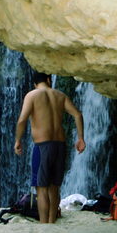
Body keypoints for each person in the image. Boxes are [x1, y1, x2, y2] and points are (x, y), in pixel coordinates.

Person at [14, 73, 85, 224]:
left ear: (35, 84)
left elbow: (22, 120)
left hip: (43, 147)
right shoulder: (60, 95)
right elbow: (77, 115)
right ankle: (52, 221)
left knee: (41, 188)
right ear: (48, 80)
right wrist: (80, 138)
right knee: (54, 188)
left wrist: (18, 140)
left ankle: (43, 223)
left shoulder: (32, 95)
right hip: (60, 146)